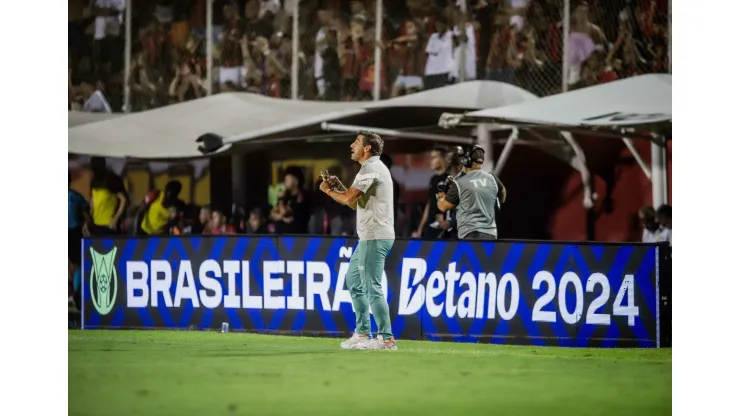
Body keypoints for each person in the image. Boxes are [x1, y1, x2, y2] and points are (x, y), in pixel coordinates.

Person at [318, 131, 397, 350]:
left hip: (374, 236)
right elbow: (354, 202)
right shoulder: (370, 169)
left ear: (368, 148)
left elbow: (348, 199)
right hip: (368, 237)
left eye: (356, 142)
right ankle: (363, 334)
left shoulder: (371, 168)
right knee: (354, 282)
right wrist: (339, 188)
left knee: (372, 287)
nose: (351, 145)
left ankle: (386, 339)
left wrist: (327, 191)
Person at [436, 145, 506, 240]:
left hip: (469, 233)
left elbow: (443, 207)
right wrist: (497, 204)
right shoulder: (491, 178)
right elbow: (503, 192)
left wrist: (440, 195)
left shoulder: (460, 182)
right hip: (490, 233)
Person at [412, 145, 449, 238]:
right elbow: (429, 204)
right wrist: (420, 229)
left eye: (434, 157)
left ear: (443, 159)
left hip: (443, 229)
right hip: (430, 227)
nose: (430, 161)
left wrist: (447, 221)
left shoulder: (449, 179)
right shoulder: (433, 179)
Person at [69, 171, 92, 310]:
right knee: (78, 266)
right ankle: (78, 299)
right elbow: (88, 219)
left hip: (71, 233)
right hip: (73, 233)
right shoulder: (77, 197)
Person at [89, 157, 129, 235]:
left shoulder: (112, 179)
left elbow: (123, 200)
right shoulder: (94, 181)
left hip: (109, 225)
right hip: (96, 223)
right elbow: (93, 200)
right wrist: (89, 220)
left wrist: (115, 220)